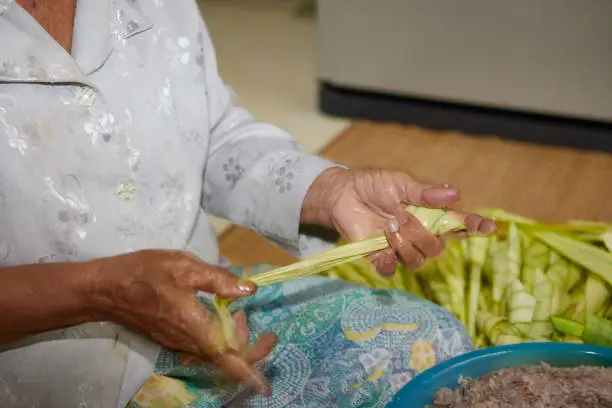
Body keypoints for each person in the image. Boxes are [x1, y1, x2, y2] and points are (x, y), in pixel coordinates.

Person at [0, 0, 495, 407]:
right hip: (42, 376)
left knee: (435, 351)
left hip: (209, 312)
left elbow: (209, 134)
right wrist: (100, 291)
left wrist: (331, 192)